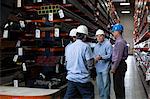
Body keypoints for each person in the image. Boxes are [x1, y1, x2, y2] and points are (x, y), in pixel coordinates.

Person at [64, 25, 95, 99]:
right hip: (82, 79)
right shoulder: (86, 47)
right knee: (88, 96)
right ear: (84, 36)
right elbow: (90, 64)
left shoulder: (68, 47)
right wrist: (93, 73)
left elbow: (66, 62)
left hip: (71, 78)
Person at [111, 24, 128, 99]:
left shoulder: (120, 42)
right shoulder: (119, 41)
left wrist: (113, 68)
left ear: (118, 32)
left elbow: (118, 57)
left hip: (119, 66)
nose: (113, 33)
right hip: (120, 65)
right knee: (119, 86)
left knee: (118, 87)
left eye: (114, 31)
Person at [94, 29, 112, 99]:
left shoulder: (108, 44)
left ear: (103, 36)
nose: (99, 37)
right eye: (97, 36)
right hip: (98, 68)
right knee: (100, 85)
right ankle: (102, 97)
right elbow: (94, 55)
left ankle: (106, 97)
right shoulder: (96, 46)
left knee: (106, 85)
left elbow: (110, 55)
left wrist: (101, 57)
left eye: (100, 36)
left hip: (105, 68)